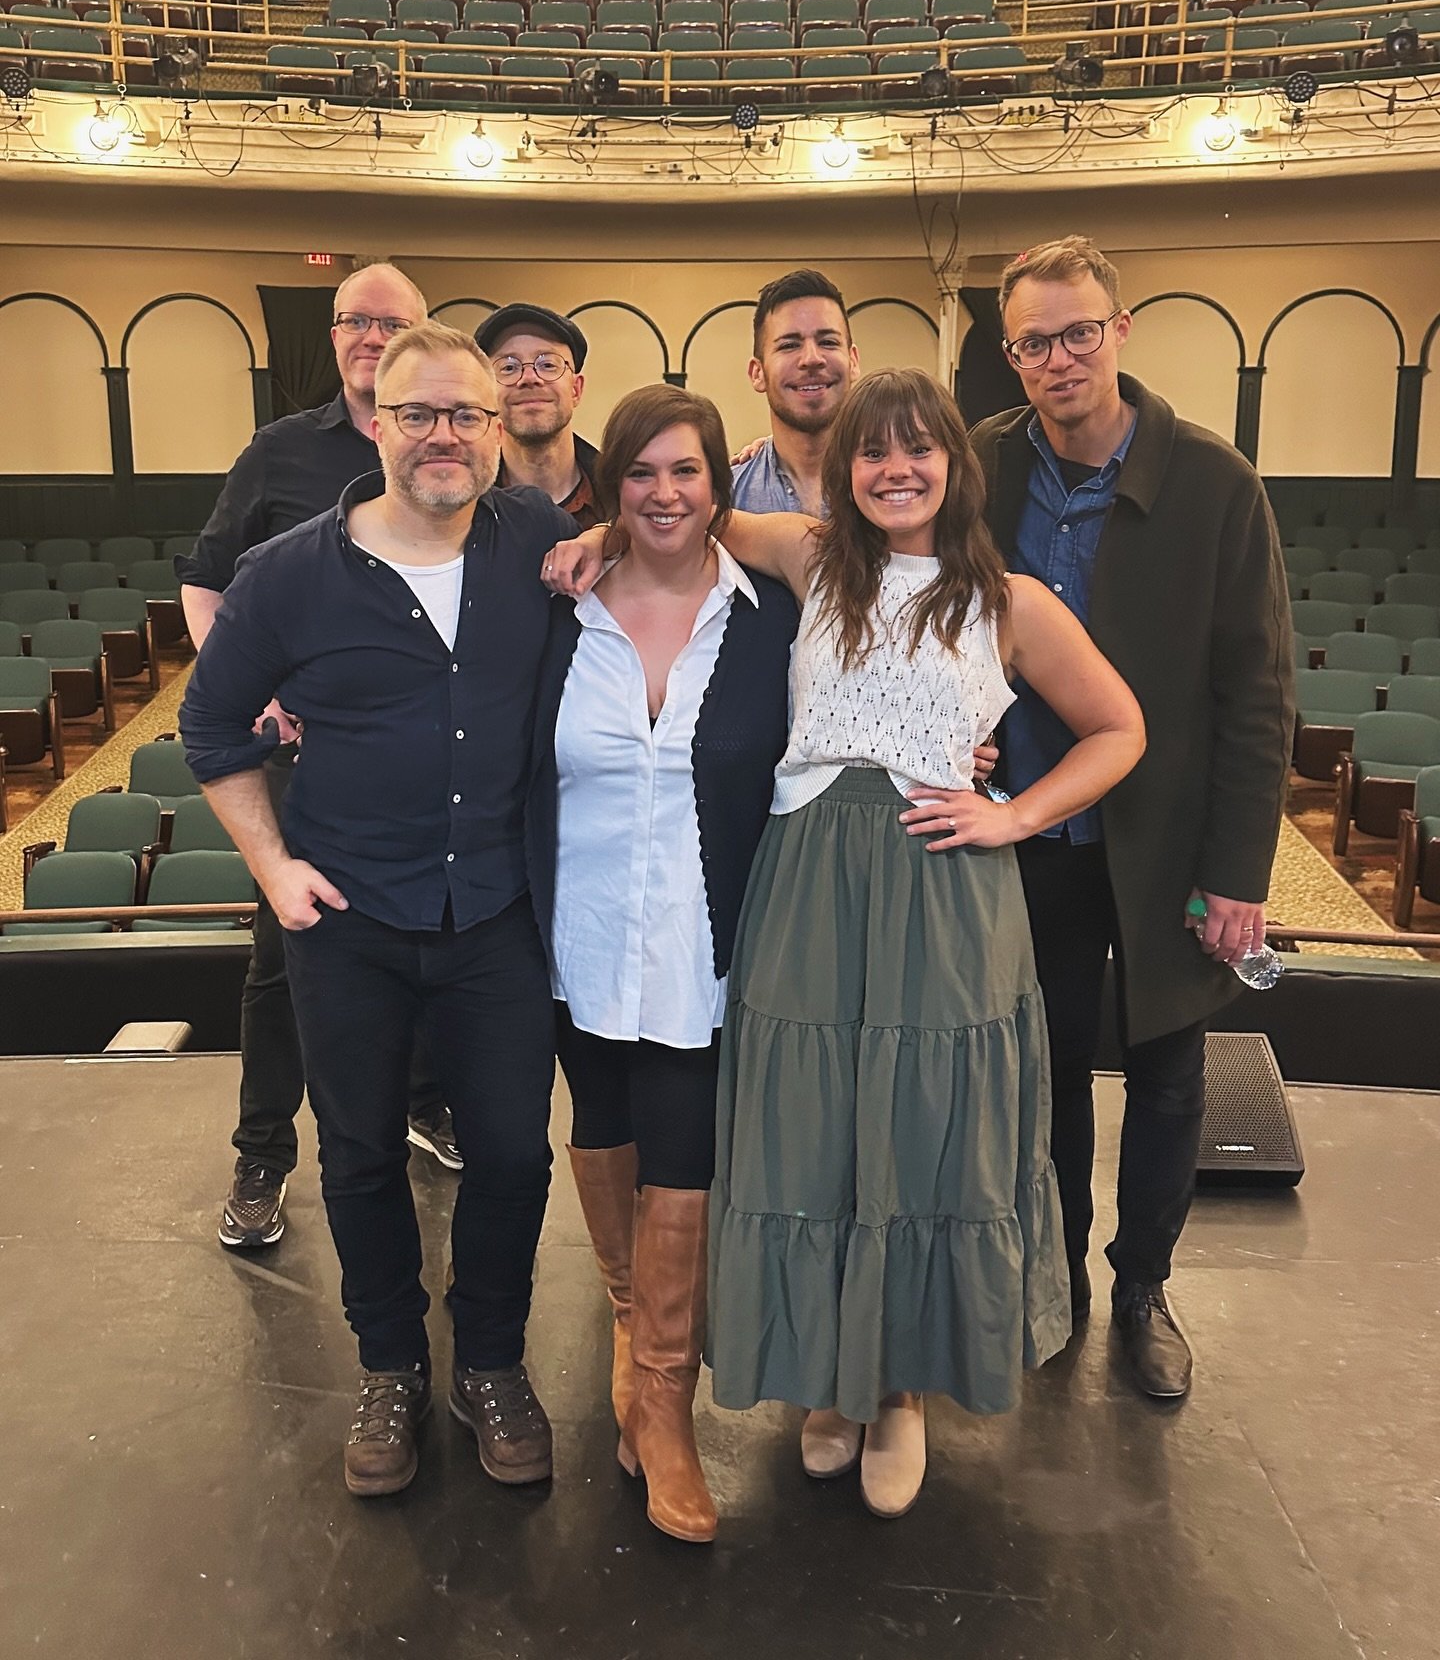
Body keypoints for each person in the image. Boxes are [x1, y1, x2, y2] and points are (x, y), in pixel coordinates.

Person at [547, 367, 1145, 1522]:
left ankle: (901, 1389)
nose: (897, 468)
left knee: (922, 1135)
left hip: (944, 891)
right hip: (810, 881)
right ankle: (831, 1378)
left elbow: (1121, 726)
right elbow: (681, 510)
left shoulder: (1012, 602)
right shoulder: (810, 558)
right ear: (846, 469)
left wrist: (1015, 812)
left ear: (955, 467)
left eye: (921, 448)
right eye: (874, 451)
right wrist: (586, 540)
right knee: (813, 1137)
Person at [180, 322, 576, 1499]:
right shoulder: (290, 572)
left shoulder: (544, 546)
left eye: (466, 413)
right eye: (418, 414)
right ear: (377, 422)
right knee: (355, 1156)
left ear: (499, 432)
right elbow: (211, 729)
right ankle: (392, 1365)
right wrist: (273, 865)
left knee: (510, 1150)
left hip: (499, 911)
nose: (442, 434)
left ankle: (492, 1362)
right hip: (345, 915)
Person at [973, 234, 1295, 1401]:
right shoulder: (983, 467)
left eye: (1079, 331)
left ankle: (1143, 1288)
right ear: (1009, 356)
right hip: (1031, 833)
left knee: (1167, 1076)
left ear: (1120, 331)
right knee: (1043, 1076)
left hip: (1164, 842)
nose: (1059, 357)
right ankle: (1050, 1283)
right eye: (1033, 340)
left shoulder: (1216, 483)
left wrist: (1238, 876)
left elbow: (1259, 695)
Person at [531, 384, 798, 1545]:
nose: (664, 493)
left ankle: (665, 1401)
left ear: (718, 484)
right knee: (601, 1122)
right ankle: (631, 1339)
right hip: (578, 934)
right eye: (640, 473)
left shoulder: (769, 619)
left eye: (685, 471)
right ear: (614, 485)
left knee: (685, 1145)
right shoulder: (560, 613)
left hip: (705, 938)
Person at [177, 263, 461, 1254]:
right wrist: (250, 681)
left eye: (393, 321)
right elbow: (206, 583)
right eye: (354, 320)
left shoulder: (450, 445)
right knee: (283, 959)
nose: (371, 335)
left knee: (433, 929)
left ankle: (428, 1103)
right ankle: (263, 1156)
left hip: (430, 759)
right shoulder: (278, 452)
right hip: (312, 758)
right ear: (333, 337)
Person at [729, 269, 860, 516]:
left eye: (828, 342)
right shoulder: (724, 498)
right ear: (757, 373)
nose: (811, 359)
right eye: (789, 345)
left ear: (853, 361)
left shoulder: (893, 489)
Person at [475, 303, 602, 528]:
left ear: (576, 389)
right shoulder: (462, 507)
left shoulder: (623, 498)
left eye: (547, 364)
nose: (529, 377)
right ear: (486, 393)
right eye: (508, 367)